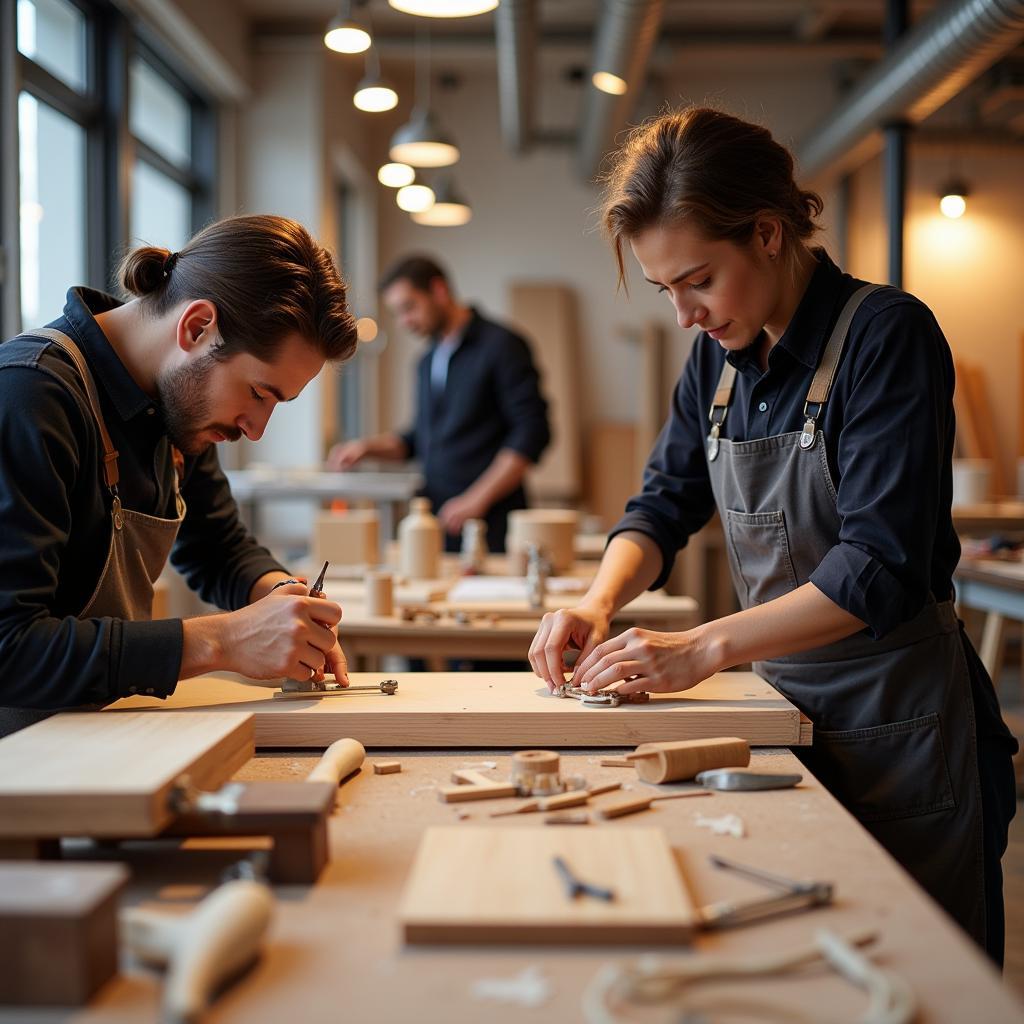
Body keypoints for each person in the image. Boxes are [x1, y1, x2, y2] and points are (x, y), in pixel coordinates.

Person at [528, 107, 1017, 964]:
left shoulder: (885, 337)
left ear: (766, 232)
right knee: (799, 969)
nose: (684, 314)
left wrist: (704, 648)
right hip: (781, 712)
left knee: (922, 971)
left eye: (698, 281)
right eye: (664, 291)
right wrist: (597, 600)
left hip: (899, 720)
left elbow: (880, 567)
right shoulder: (719, 359)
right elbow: (660, 505)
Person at [0, 214, 358, 736]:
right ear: (196, 327)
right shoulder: (30, 396)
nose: (256, 429)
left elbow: (218, 547)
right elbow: (9, 648)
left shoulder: (175, 406)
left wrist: (282, 597)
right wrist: (223, 640)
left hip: (93, 737)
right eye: (259, 393)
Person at [327, 255, 550, 552]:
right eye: (398, 313)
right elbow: (420, 438)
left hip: (491, 523)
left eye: (409, 307)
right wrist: (366, 448)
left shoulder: (502, 346)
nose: (405, 321)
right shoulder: (427, 361)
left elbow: (532, 432)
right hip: (440, 520)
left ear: (439, 290)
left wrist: (476, 499)